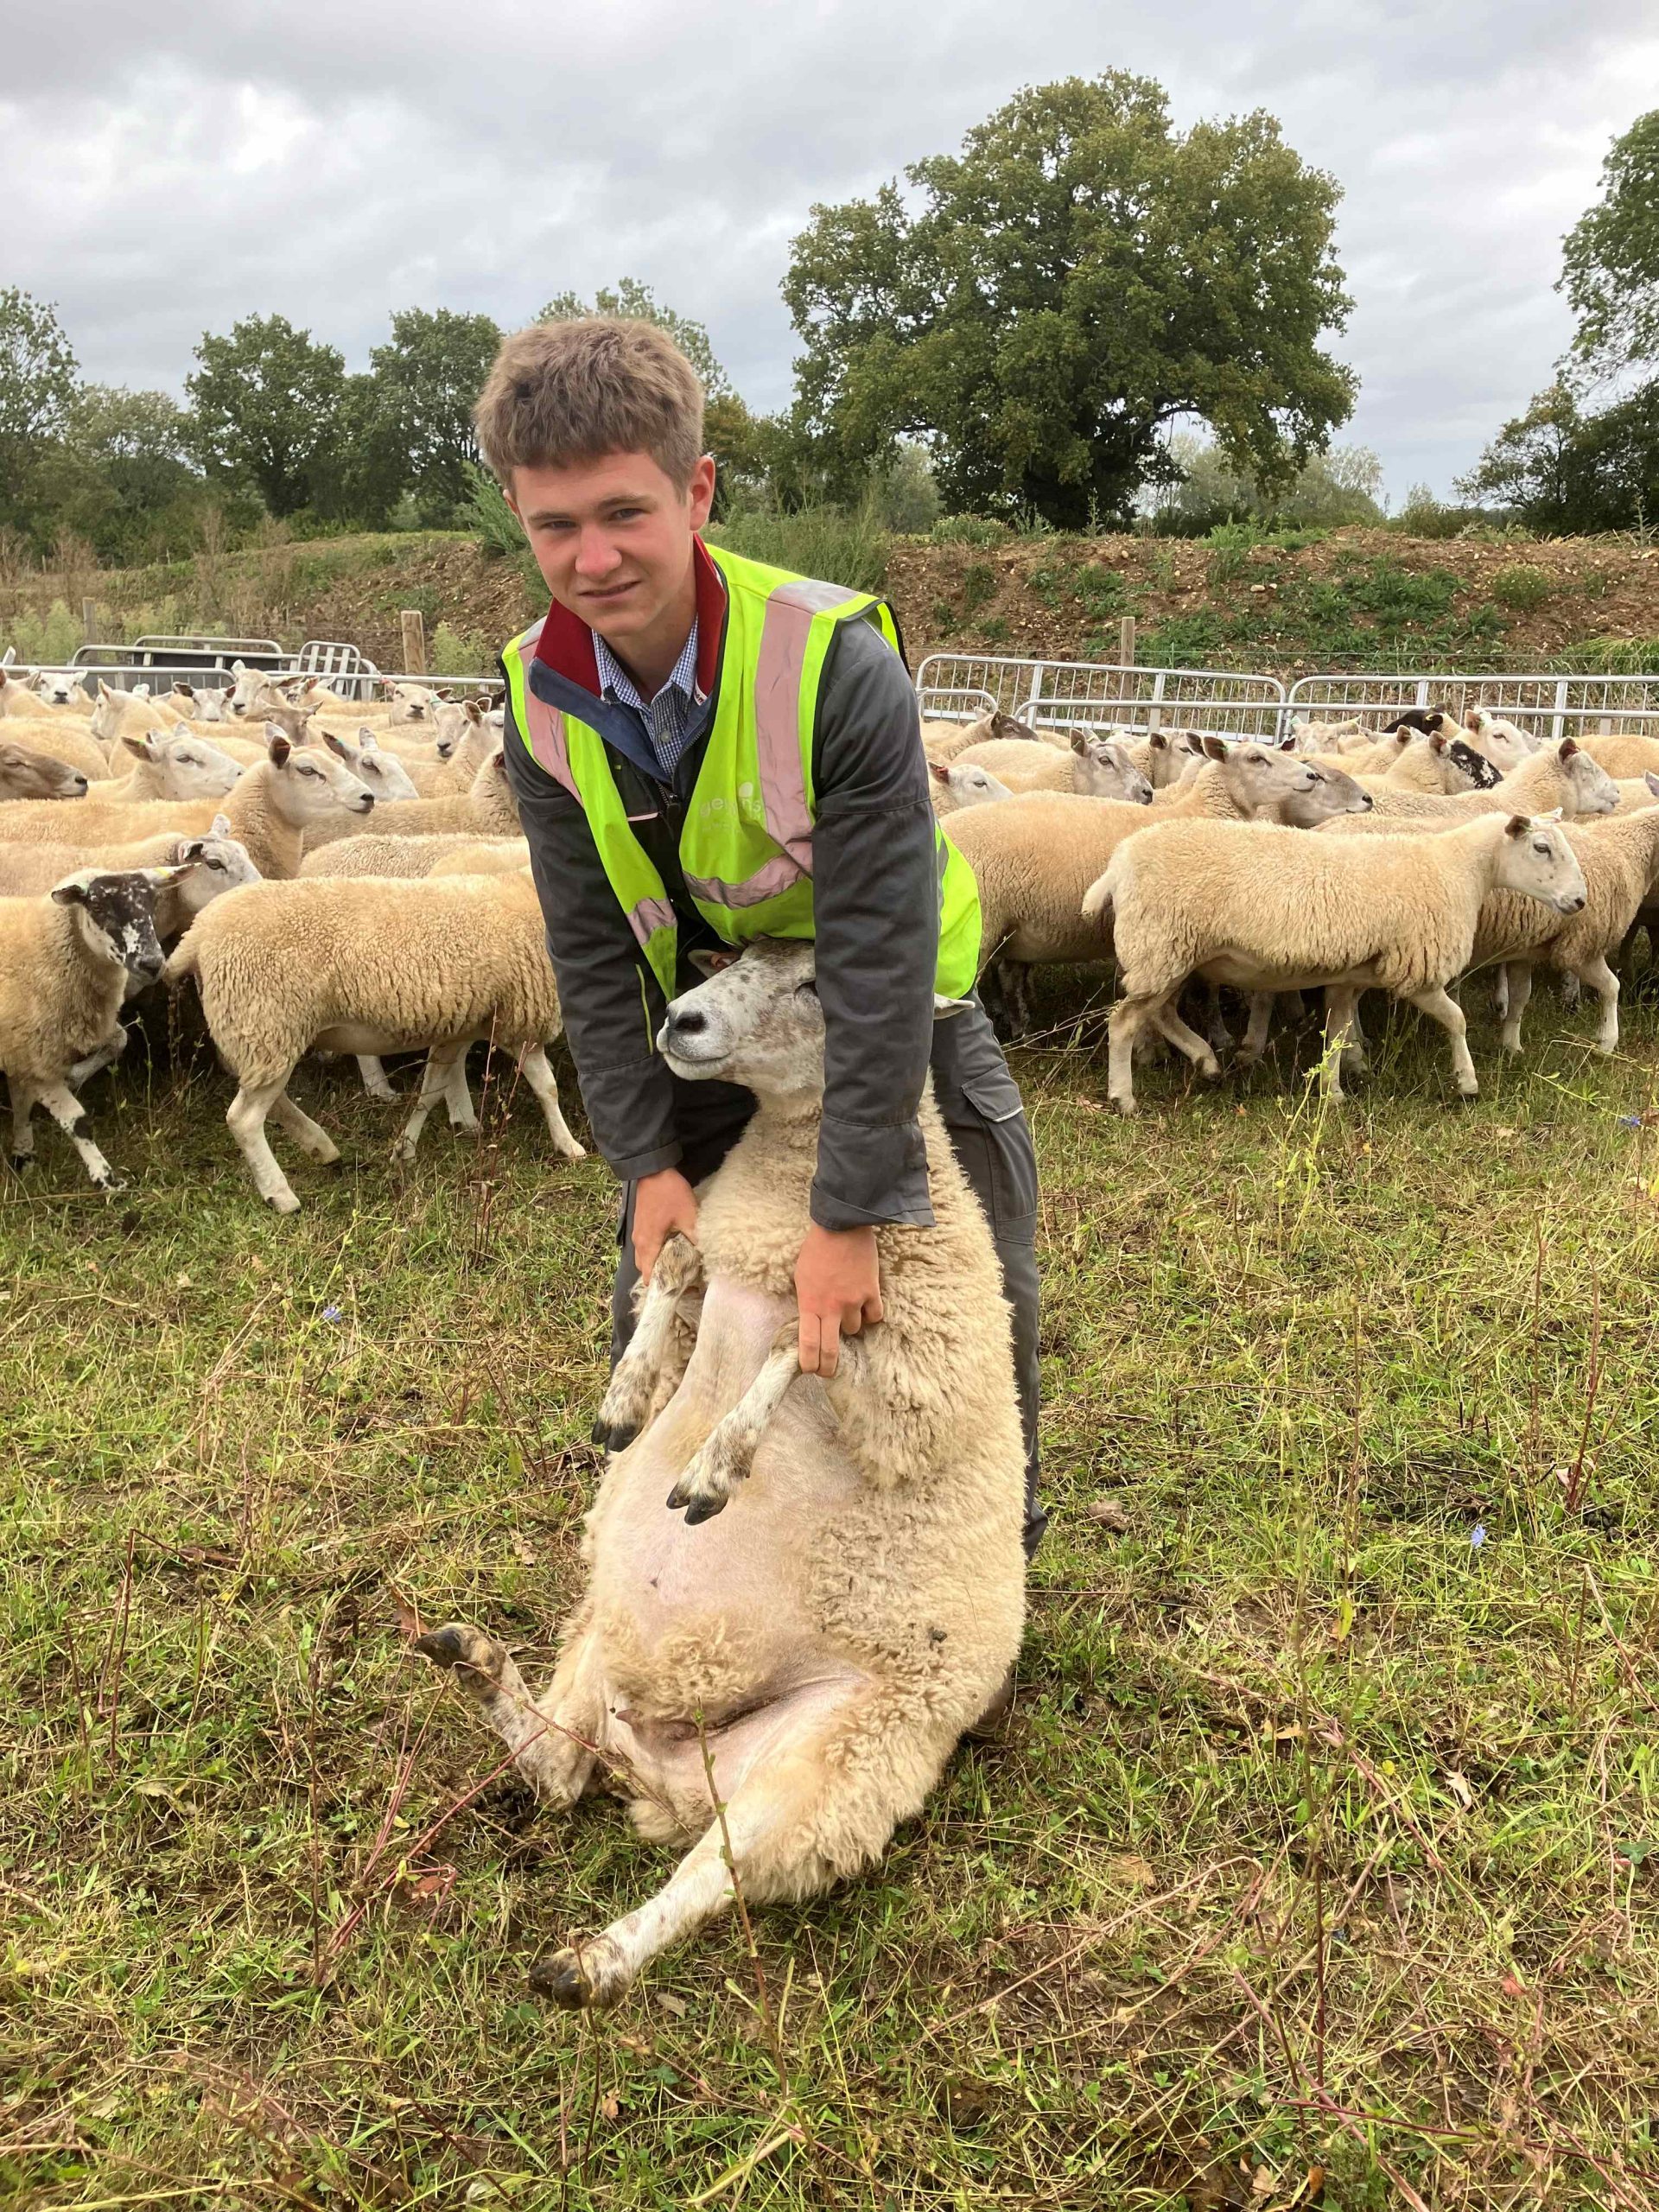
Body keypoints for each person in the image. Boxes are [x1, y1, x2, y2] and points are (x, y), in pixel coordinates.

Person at [476, 316, 1044, 1560]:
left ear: (697, 490)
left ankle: (985, 1571)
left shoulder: (830, 658)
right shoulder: (536, 693)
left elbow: (886, 944)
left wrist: (850, 1210)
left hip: (899, 1014)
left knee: (962, 1298)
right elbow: (586, 947)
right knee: (668, 1289)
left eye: (625, 513)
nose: (594, 557)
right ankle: (687, 1573)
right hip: (716, 1026)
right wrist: (644, 1157)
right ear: (518, 516)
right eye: (553, 526)